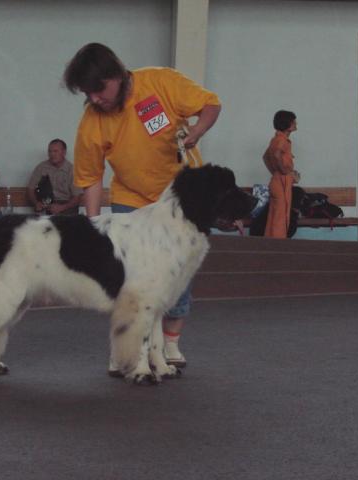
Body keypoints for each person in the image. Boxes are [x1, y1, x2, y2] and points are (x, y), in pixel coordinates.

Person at [63, 42, 221, 372]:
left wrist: (197, 131)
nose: (94, 99)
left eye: (98, 89)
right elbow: (91, 176)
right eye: (86, 93)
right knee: (132, 283)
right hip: (130, 201)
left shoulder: (160, 82)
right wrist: (94, 227)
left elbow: (210, 104)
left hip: (179, 201)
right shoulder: (92, 119)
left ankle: (171, 344)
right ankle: (125, 350)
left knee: (177, 277)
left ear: (116, 76)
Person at [263, 110, 297, 238]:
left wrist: (275, 171)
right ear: (287, 124)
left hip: (277, 180)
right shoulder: (282, 140)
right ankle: (278, 246)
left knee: (274, 215)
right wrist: (283, 171)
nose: (295, 123)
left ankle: (270, 246)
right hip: (282, 181)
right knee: (281, 218)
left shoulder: (276, 139)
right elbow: (276, 154)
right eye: (293, 121)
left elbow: (265, 157)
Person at [27, 138, 81, 215]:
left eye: (55, 151)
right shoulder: (41, 167)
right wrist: (36, 203)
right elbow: (30, 189)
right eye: (50, 151)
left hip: (66, 206)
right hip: (46, 204)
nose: (52, 154)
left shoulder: (72, 170)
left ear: (64, 152)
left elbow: (77, 198)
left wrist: (61, 208)